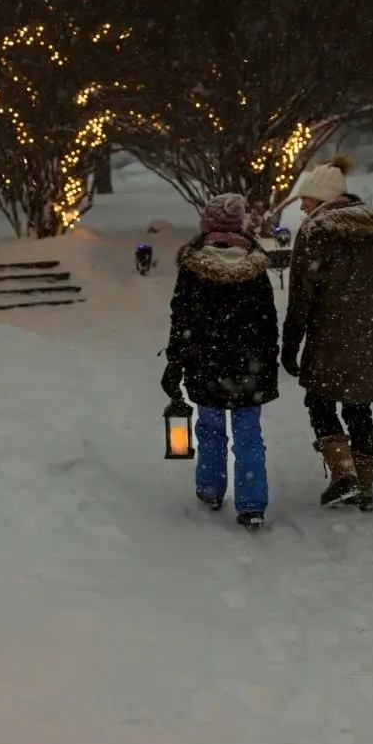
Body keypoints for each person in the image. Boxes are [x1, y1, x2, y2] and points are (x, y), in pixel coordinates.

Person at [280, 156, 373, 510]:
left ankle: (344, 474)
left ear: (323, 199)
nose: (302, 206)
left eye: (307, 200)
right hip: (368, 336)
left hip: (329, 335)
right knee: (358, 408)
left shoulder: (315, 233)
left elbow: (302, 295)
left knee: (319, 402)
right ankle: (364, 486)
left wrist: (290, 343)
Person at [162, 193, 280, 529]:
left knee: (210, 428)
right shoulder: (254, 265)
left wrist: (176, 360)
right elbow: (266, 318)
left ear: (208, 224)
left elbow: (181, 317)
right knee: (248, 433)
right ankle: (252, 503)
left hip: (206, 360)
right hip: (249, 362)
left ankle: (211, 488)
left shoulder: (194, 265)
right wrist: (268, 356)